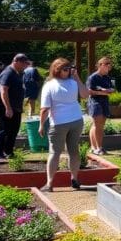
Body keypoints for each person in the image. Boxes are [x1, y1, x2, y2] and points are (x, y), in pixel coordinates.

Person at [39, 58, 90, 191]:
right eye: (66, 69)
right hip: (76, 120)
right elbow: (85, 94)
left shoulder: (49, 85)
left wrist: (41, 124)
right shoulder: (73, 83)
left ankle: (50, 183)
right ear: (58, 70)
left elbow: (45, 108)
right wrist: (77, 78)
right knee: (73, 151)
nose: (69, 71)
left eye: (69, 69)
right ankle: (74, 178)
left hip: (59, 123)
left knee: (55, 152)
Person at [0, 54, 30, 159]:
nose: (25, 66)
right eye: (24, 63)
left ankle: (9, 152)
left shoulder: (17, 73)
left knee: (13, 130)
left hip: (15, 107)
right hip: (4, 106)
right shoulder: (8, 73)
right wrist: (8, 108)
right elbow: (3, 91)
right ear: (16, 61)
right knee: (4, 130)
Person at [85, 57, 116, 155]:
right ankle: (99, 148)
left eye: (110, 64)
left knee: (99, 125)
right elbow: (89, 91)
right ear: (100, 65)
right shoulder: (93, 77)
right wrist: (103, 92)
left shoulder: (107, 77)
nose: (109, 66)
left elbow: (111, 89)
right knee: (97, 125)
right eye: (107, 64)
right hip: (95, 102)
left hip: (104, 102)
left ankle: (93, 148)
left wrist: (110, 91)